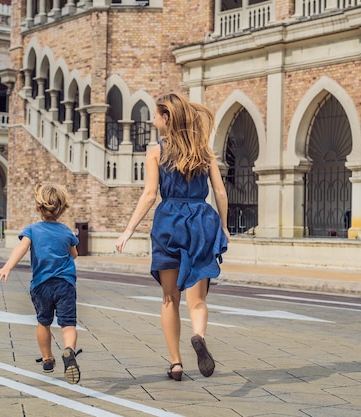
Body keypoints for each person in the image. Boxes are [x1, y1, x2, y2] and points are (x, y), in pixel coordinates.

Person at [115, 92, 230, 381]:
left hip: (169, 223)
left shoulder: (156, 152)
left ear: (166, 118)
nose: (153, 121)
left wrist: (128, 230)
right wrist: (224, 226)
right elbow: (219, 192)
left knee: (169, 298)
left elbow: (150, 194)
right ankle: (199, 335)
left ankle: (176, 363)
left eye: (155, 116)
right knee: (198, 300)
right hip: (202, 221)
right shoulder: (204, 150)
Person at [0, 183, 82, 384]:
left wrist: (7, 267)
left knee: (44, 322)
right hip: (65, 284)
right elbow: (74, 254)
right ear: (61, 208)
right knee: (68, 324)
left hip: (42, 285)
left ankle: (48, 359)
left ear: (37, 207)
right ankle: (69, 350)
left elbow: (21, 249)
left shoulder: (32, 230)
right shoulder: (67, 232)